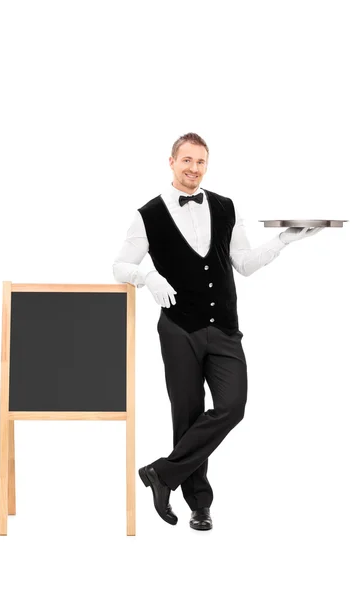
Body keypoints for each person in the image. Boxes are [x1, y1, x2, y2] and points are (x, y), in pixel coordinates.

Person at [112, 132, 323, 531]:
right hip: (178, 329)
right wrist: (146, 276)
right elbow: (119, 265)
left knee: (232, 406)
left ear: (207, 165)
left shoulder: (225, 207)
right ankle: (199, 504)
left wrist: (282, 240)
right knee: (187, 415)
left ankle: (162, 473)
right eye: (186, 160)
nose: (194, 169)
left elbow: (242, 263)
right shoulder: (148, 215)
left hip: (224, 328)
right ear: (171, 162)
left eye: (201, 162)